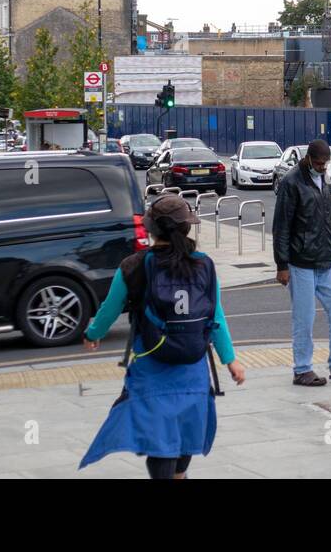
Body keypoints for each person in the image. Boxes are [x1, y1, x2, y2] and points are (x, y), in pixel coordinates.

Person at [79, 194, 246, 479]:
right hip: (193, 371)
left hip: (151, 367)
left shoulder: (133, 266)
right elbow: (214, 316)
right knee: (185, 436)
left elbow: (109, 308)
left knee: (160, 444)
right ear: (187, 228)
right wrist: (230, 359)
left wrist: (93, 333)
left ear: (150, 229)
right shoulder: (204, 264)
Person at [272, 139, 331, 386]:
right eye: (319, 163)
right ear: (308, 159)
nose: (323, 168)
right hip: (300, 262)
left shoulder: (322, 178)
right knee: (304, 317)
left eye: (326, 164)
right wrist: (282, 265)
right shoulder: (291, 182)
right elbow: (281, 226)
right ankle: (302, 369)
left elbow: (327, 216)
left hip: (325, 260)